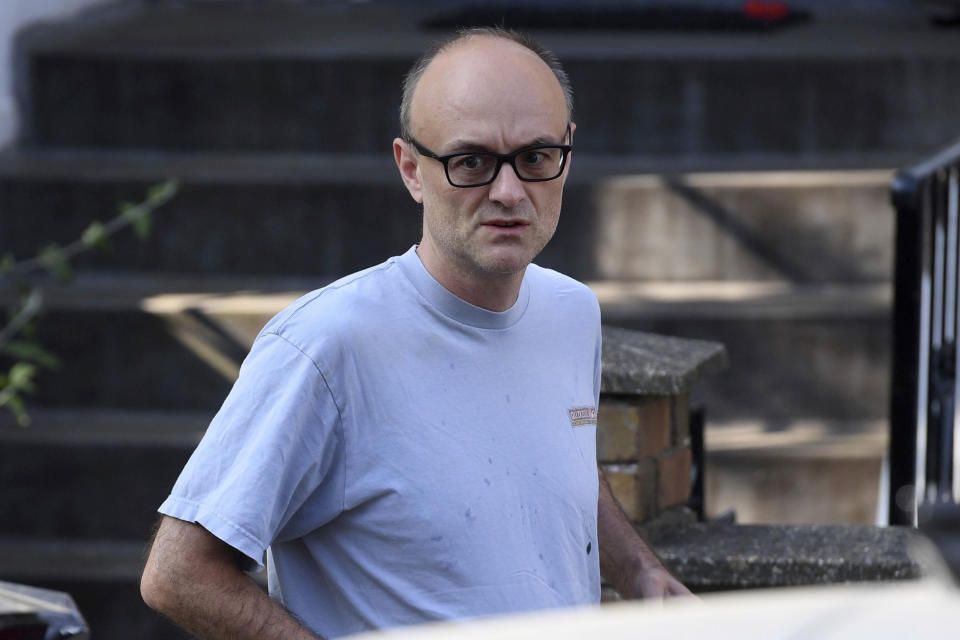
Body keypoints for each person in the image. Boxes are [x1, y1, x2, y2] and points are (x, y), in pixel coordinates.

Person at [140, 27, 690, 640]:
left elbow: (557, 467)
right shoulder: (326, 346)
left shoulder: (571, 312)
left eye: (535, 157)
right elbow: (178, 574)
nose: (508, 192)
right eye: (471, 162)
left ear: (568, 153)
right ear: (410, 168)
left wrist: (640, 570)